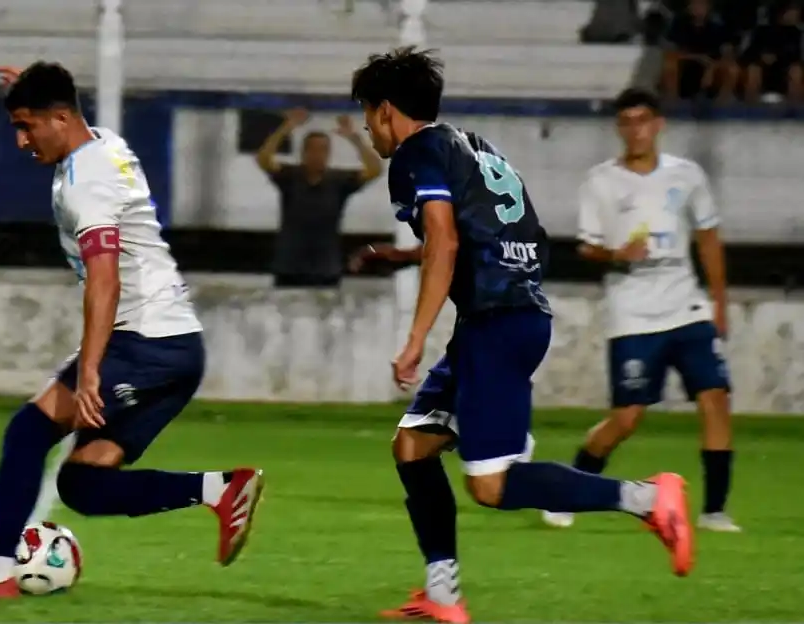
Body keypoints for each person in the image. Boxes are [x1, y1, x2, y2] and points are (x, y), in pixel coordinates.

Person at [349, 48, 693, 623]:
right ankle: (442, 595)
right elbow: (506, 231)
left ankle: (649, 498)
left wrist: (414, 338)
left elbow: (449, 239)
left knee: (491, 486)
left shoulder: (413, 155)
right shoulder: (474, 147)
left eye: (366, 113)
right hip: (512, 315)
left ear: (386, 110)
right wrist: (411, 256)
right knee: (412, 447)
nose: (365, 127)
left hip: (496, 325)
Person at [0, 62, 264, 602]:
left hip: (144, 342)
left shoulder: (87, 183)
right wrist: (30, 83)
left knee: (28, 432)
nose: (20, 140)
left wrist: (92, 371)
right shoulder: (104, 142)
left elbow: (104, 280)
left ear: (61, 118)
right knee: (82, 484)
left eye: (28, 126)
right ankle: (222, 489)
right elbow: (65, 103)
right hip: (177, 347)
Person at [541, 87, 738, 534]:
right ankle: (568, 491)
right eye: (627, 122)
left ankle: (714, 511)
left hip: (687, 307)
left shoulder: (687, 175)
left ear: (659, 124)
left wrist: (718, 301)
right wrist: (617, 253)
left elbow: (708, 237)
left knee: (716, 399)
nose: (636, 130)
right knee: (628, 417)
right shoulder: (601, 181)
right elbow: (586, 247)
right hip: (632, 313)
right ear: (619, 129)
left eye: (644, 120)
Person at [255, 108, 382, 288]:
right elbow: (263, 159)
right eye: (313, 150)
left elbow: (375, 170)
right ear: (304, 153)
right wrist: (286, 128)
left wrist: (355, 139)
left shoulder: (338, 181)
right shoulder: (290, 176)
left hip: (326, 269)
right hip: (289, 268)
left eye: (323, 150)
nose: (318, 155)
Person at [660, 0, 739, 102]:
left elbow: (726, 53)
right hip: (684, 65)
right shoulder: (678, 23)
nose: (699, 8)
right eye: (695, 4)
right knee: (669, 64)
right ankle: (672, 102)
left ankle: (722, 105)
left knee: (732, 69)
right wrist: (697, 57)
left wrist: (712, 67)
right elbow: (670, 51)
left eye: (702, 5)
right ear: (689, 7)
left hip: (710, 66)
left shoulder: (718, 25)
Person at [740, 2, 803, 104]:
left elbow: (797, 56)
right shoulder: (762, 31)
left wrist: (778, 57)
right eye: (793, 12)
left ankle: (794, 111)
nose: (796, 15)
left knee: (796, 71)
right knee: (753, 70)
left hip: (786, 68)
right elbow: (748, 53)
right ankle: (750, 110)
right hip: (763, 67)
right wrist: (761, 58)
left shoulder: (798, 33)